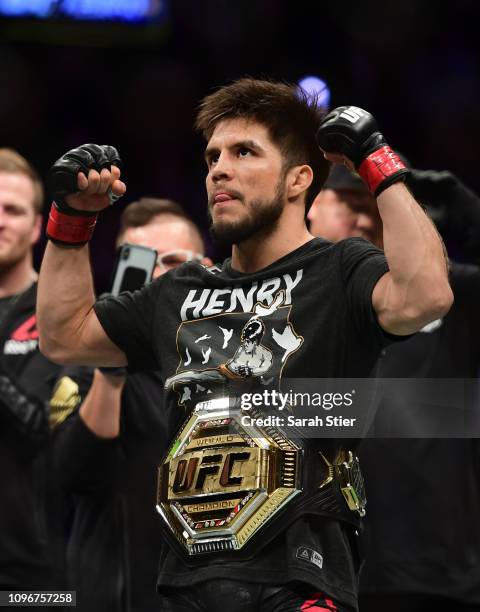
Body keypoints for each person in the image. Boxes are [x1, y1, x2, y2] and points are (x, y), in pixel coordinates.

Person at [37, 81, 452, 612]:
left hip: (302, 581)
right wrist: (71, 219)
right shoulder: (180, 290)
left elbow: (426, 296)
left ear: (299, 179)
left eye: (244, 152)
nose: (218, 170)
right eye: (212, 156)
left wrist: (376, 160)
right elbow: (64, 335)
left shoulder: (339, 268)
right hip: (186, 581)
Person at [308, 163, 480, 612]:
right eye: (349, 203)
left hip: (434, 571)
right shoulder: (279, 304)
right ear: (309, 207)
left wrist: (467, 214)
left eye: (375, 206)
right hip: (311, 572)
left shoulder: (449, 295)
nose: (365, 219)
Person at [53, 197, 211, 612]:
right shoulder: (87, 361)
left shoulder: (240, 369)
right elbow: (69, 475)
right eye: (142, 262)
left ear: (209, 270)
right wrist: (111, 370)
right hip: (116, 594)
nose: (159, 276)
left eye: (173, 260)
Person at [0, 148, 90, 593]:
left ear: (37, 226)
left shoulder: (59, 316)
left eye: (12, 210)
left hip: (33, 568)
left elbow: (42, 424)